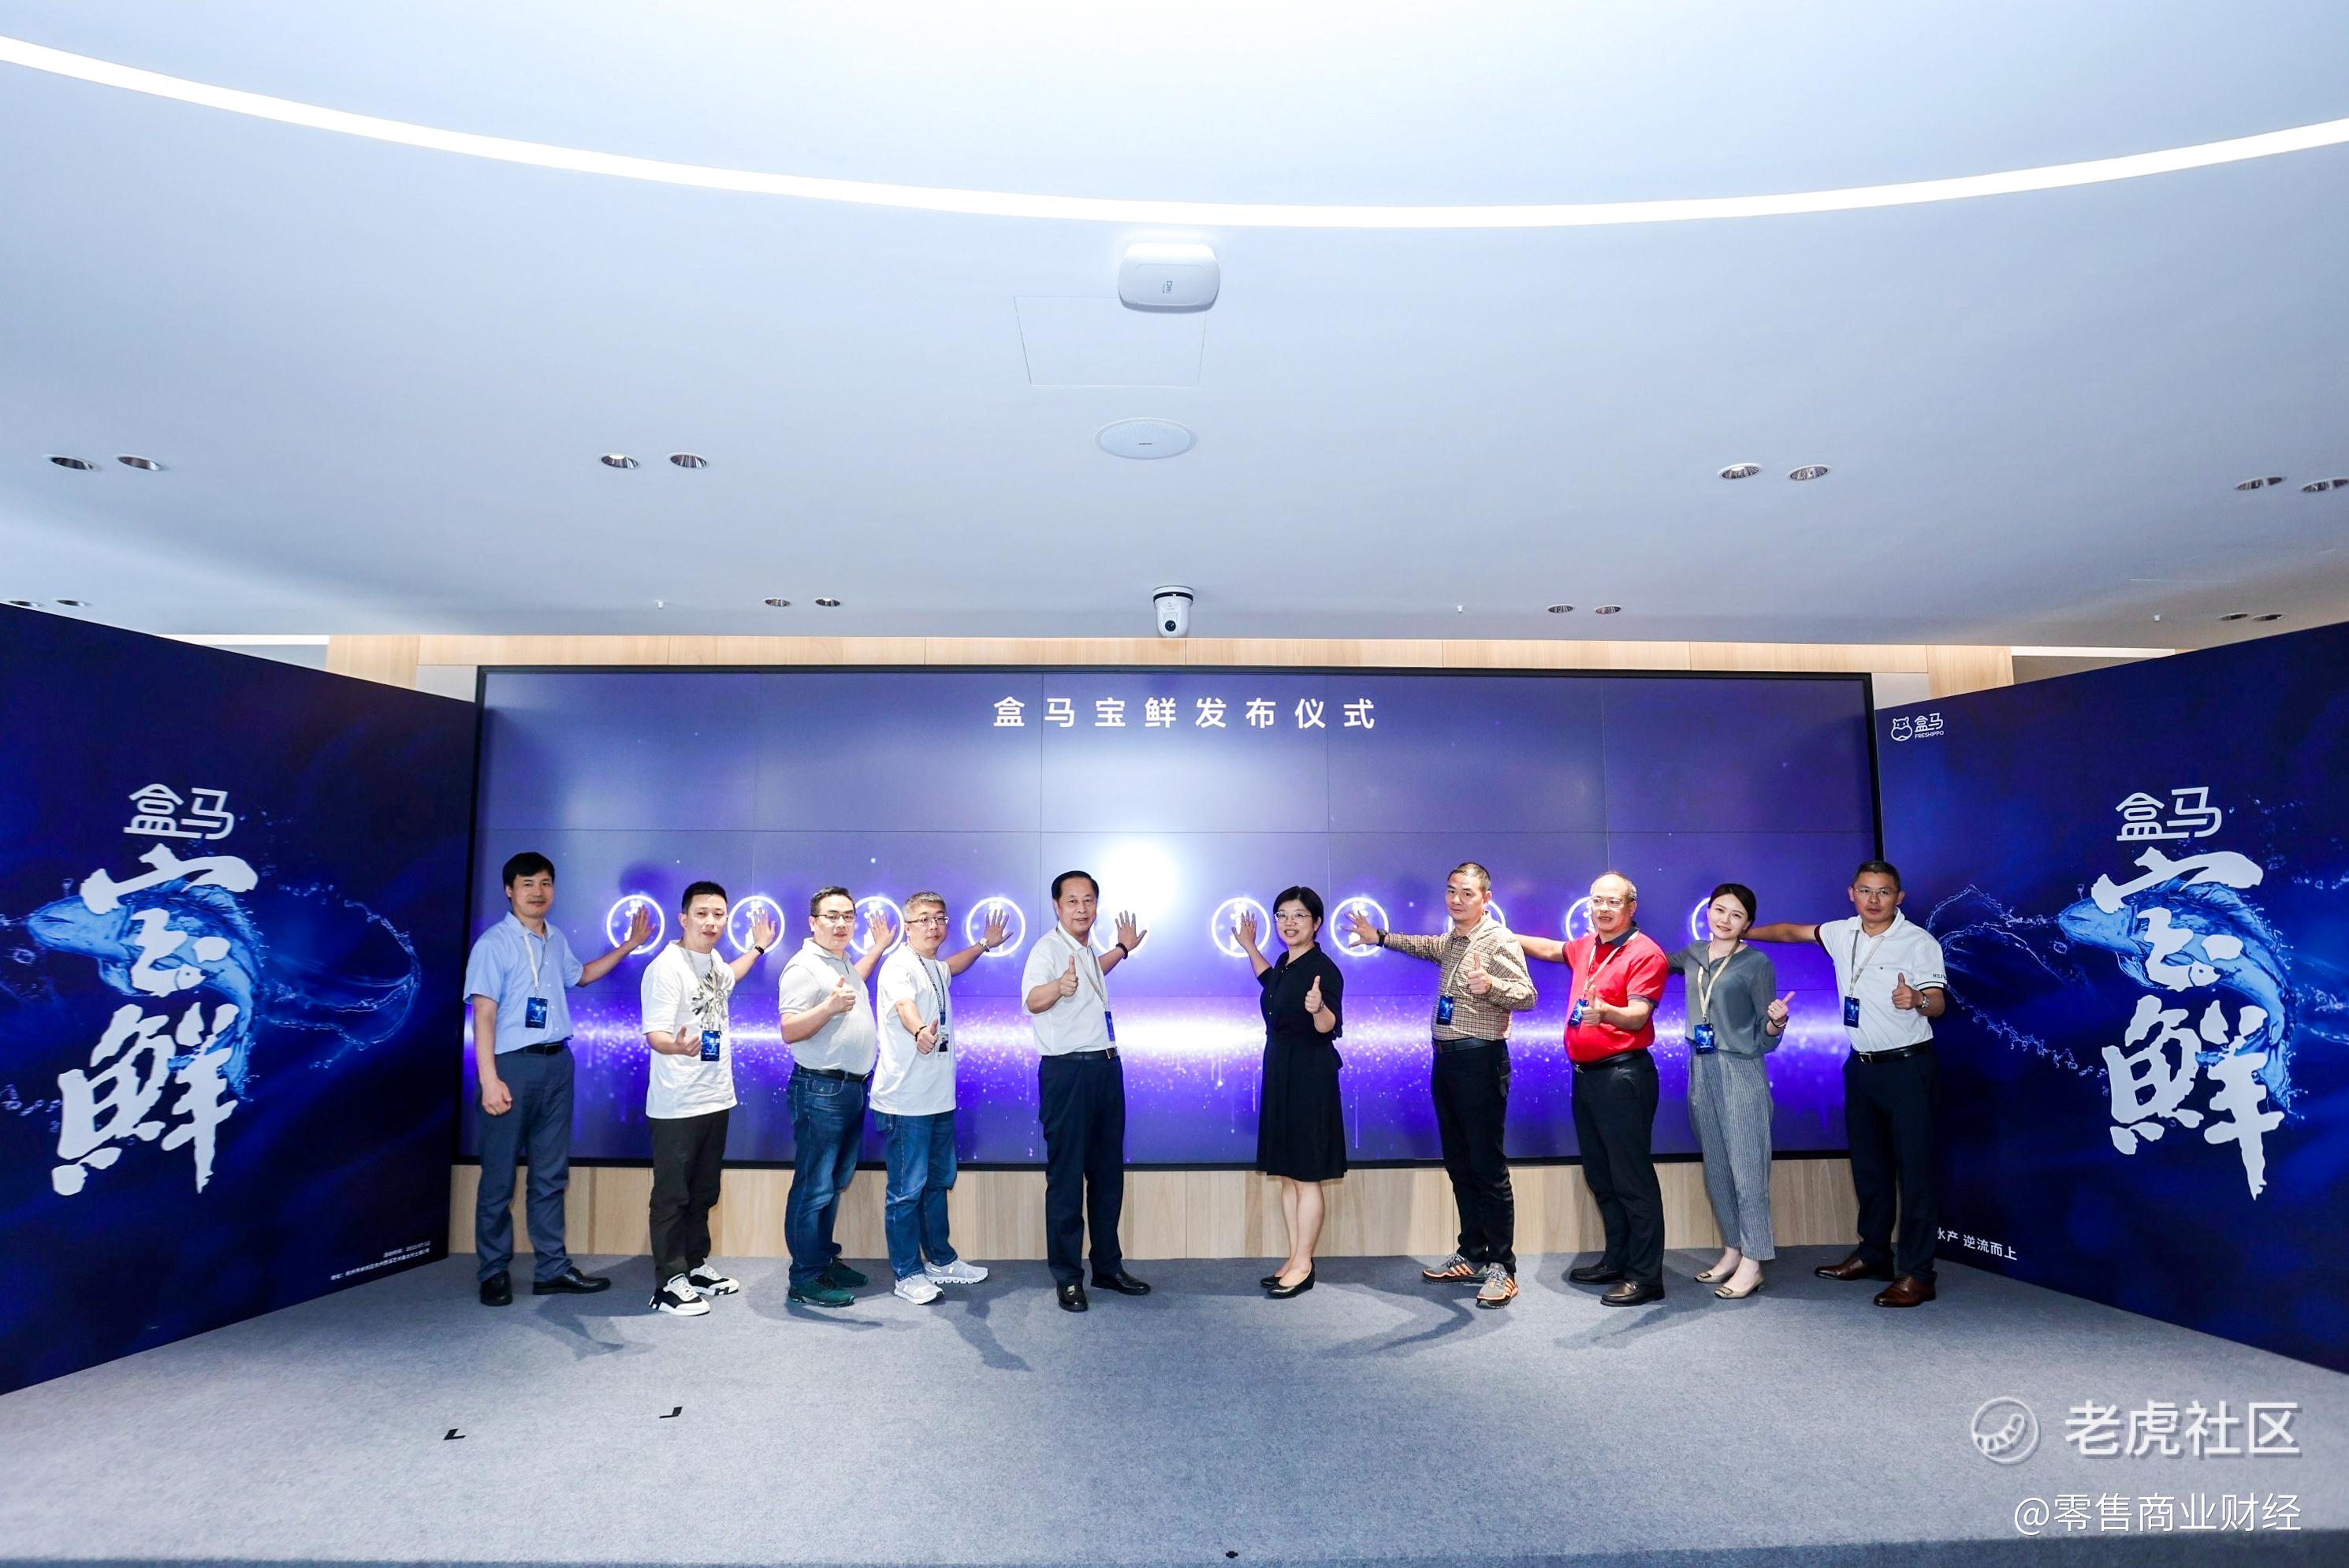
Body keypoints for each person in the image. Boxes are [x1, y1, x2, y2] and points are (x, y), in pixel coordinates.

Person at [1749, 858, 1950, 1308]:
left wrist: (1917, 999)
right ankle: (1874, 1254)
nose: (1873, 900)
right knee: (1870, 1168)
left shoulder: (1919, 942)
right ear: (1852, 894)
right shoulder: (1842, 933)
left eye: (1884, 892)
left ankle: (1918, 1274)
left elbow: (1938, 1003)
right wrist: (1743, 933)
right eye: (1865, 890)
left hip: (1908, 1068)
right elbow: (1791, 933)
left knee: (1915, 1172)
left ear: (1899, 897)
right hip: (1860, 1067)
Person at [1343, 862, 1536, 1309]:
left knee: (1487, 1166)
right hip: (1447, 1060)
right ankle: (1472, 1253)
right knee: (1459, 1162)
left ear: (1486, 898)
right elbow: (1424, 945)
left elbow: (1527, 995)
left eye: (1467, 893)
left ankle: (1503, 1268)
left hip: (1481, 1060)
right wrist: (1379, 937)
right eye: (1451, 891)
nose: (1457, 900)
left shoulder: (1499, 940)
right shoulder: (1453, 941)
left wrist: (1491, 985)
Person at [463, 851, 649, 1306]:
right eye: (527, 883)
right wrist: (489, 1079)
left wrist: (628, 945)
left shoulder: (555, 938)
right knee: (499, 1175)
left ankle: (551, 1268)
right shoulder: (493, 944)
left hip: (557, 1064)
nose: (538, 892)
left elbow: (581, 976)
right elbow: (483, 1015)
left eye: (545, 883)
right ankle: (493, 1271)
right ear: (509, 890)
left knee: (550, 1173)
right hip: (510, 1066)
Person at [1518, 873, 1672, 1306]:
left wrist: (1606, 1012)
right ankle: (1618, 1260)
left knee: (1632, 1179)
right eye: (1597, 901)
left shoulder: (1646, 953)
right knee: (1601, 1176)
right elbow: (1551, 949)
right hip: (1587, 1077)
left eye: (1613, 902)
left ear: (1631, 907)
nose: (1603, 909)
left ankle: (1646, 1277)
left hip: (1623, 1077)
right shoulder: (1587, 945)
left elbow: (1638, 1015)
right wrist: (1501, 934)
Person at [639, 881, 776, 1317]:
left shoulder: (713, 960)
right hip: (678, 1102)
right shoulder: (666, 968)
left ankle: (694, 1265)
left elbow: (729, 977)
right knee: (672, 1195)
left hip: (715, 1096)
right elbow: (655, 1034)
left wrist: (757, 949)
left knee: (703, 1192)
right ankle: (668, 1283)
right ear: (684, 918)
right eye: (702, 914)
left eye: (719, 914)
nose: (711, 922)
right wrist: (677, 1047)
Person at [1022, 870, 1152, 1313]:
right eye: (1072, 901)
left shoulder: (1086, 950)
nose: (1082, 908)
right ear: (1057, 906)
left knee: (1107, 1175)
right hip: (1068, 1072)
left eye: (1088, 900)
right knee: (1066, 1180)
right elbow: (1032, 1000)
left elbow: (1094, 972)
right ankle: (1068, 1277)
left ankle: (1108, 1267)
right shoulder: (1047, 949)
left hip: (1105, 1069)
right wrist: (1058, 988)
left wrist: (1122, 950)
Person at [873, 892, 1007, 1305]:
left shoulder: (933, 965)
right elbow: (905, 1006)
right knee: (906, 1191)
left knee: (935, 1184)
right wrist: (919, 1032)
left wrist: (983, 944)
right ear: (908, 927)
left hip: (938, 1101)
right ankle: (906, 1273)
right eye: (924, 919)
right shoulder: (899, 966)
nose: (933, 926)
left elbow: (953, 966)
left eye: (940, 919)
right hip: (906, 1103)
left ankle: (941, 1261)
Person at [1665, 883, 1789, 1302]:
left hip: (1741, 1068)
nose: (1725, 920)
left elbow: (1766, 1035)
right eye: (1720, 910)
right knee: (1717, 1166)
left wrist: (1777, 1021)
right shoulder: (1693, 954)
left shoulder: (1756, 963)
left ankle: (1754, 1261)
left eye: (1736, 915)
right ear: (1708, 912)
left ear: (1747, 924)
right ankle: (1733, 1250)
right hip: (1701, 1067)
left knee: (1747, 1170)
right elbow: (1653, 961)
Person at [776, 887, 895, 1308]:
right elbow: (789, 1030)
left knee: (831, 1184)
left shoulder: (840, 961)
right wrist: (828, 1008)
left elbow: (853, 982)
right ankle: (804, 1277)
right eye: (832, 916)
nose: (841, 923)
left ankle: (823, 1260)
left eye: (848, 916)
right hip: (820, 1090)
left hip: (850, 1088)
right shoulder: (803, 967)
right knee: (813, 1186)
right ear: (813, 922)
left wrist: (877, 948)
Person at [1232, 888, 1346, 1298]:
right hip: (1281, 1071)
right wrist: (1250, 947)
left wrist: (1319, 1009)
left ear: (1317, 923)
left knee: (1307, 1175)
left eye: (1299, 915)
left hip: (1310, 1076)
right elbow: (1270, 981)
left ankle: (1304, 1264)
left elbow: (1329, 1026)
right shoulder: (1284, 962)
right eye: (1282, 915)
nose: (1289, 923)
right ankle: (1295, 1256)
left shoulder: (1324, 969)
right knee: (1287, 1174)